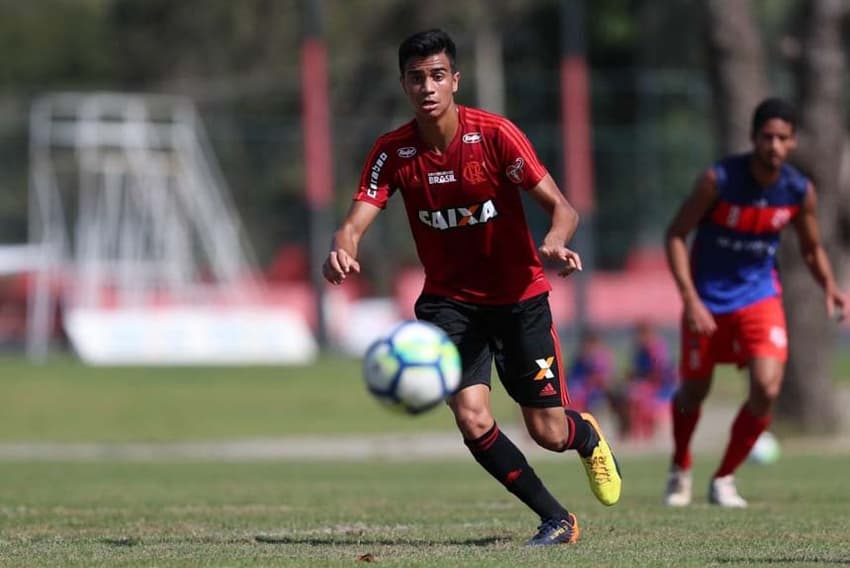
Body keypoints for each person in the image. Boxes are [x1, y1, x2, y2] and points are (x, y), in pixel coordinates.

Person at [322, 29, 621, 545]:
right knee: (471, 415)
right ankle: (556, 519)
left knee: (547, 432)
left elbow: (562, 209)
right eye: (416, 78)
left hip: (520, 298)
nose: (428, 87)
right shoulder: (392, 152)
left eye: (437, 76)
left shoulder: (496, 135)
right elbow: (354, 220)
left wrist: (553, 241)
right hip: (449, 304)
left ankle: (587, 434)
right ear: (403, 85)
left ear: (455, 80)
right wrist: (344, 247)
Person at [663, 97, 848, 507]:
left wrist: (831, 287)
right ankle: (680, 467)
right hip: (707, 301)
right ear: (753, 138)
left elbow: (812, 247)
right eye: (768, 137)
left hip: (760, 297)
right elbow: (676, 235)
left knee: (766, 387)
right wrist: (690, 298)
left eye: (783, 138)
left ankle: (724, 477)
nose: (775, 146)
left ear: (794, 142)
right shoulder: (719, 180)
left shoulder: (798, 191)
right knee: (694, 391)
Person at [618, 321, 677, 440]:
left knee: (634, 395)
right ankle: (628, 431)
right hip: (646, 385)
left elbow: (660, 373)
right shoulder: (640, 351)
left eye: (639, 334)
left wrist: (640, 380)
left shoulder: (656, 350)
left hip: (660, 388)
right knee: (622, 394)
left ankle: (641, 432)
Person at [566, 329, 617, 415]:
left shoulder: (602, 358)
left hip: (595, 396)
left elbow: (605, 381)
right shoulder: (579, 359)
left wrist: (590, 382)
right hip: (577, 395)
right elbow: (571, 376)